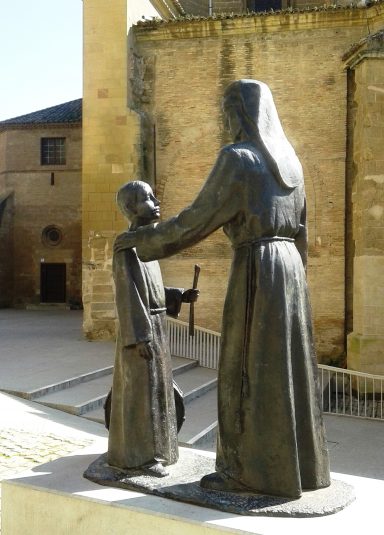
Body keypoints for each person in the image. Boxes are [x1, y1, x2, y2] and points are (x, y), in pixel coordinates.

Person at [115, 80, 330, 497]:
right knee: (286, 369)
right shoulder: (291, 163)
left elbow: (196, 220)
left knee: (245, 370)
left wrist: (143, 241)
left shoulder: (238, 159)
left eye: (228, 111)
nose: (226, 120)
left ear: (243, 113)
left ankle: (247, 472)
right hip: (290, 275)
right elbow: (302, 232)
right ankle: (301, 469)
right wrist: (294, 280)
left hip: (257, 270)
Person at [108, 180, 198, 477]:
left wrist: (177, 295)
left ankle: (161, 450)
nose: (156, 200)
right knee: (142, 394)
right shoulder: (126, 247)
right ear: (132, 208)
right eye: (148, 198)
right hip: (142, 333)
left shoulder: (145, 246)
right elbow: (128, 292)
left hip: (155, 327)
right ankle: (141, 458)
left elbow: (152, 289)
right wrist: (140, 337)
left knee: (158, 390)